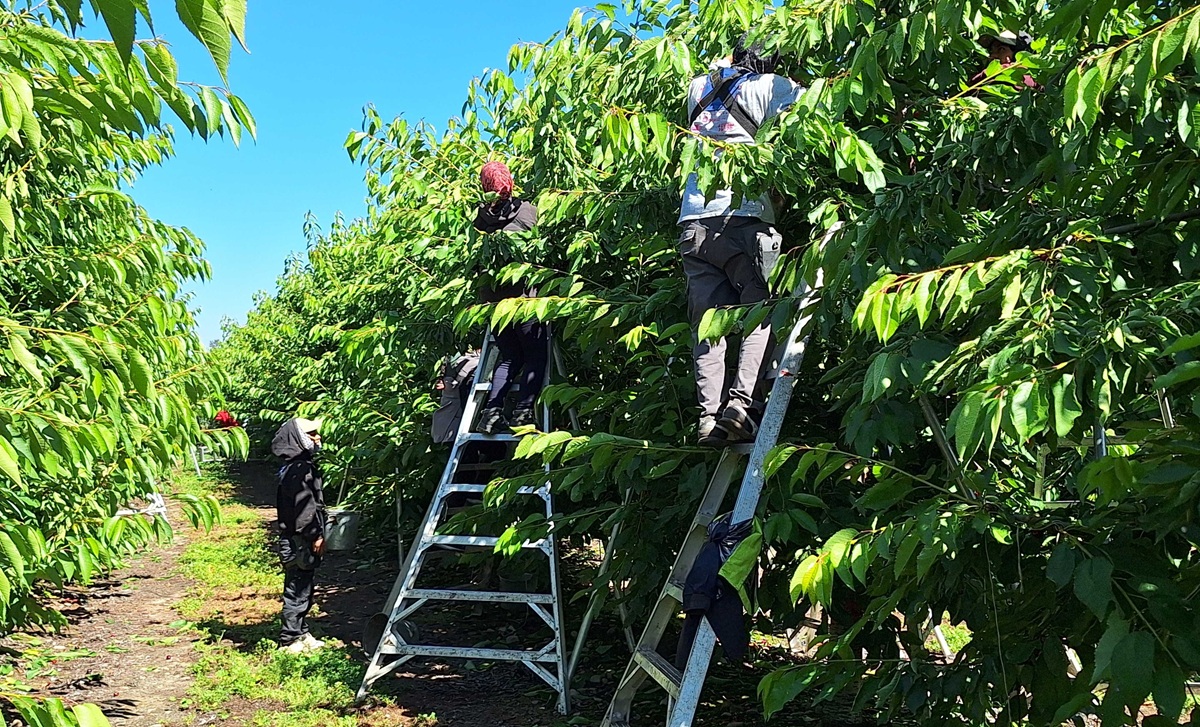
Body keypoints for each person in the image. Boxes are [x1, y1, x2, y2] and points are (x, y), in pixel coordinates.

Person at [679, 39, 803, 446]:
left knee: (707, 324)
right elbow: (820, 106)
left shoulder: (699, 87)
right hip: (744, 218)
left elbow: (713, 75)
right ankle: (741, 406)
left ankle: (707, 417)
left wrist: (725, 65)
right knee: (759, 312)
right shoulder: (772, 86)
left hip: (694, 222)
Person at [472, 161, 549, 434]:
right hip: (523, 300)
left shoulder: (479, 220)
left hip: (493, 304)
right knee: (536, 355)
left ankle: (491, 413)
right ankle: (522, 413)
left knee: (510, 356)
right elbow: (543, 250)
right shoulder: (528, 212)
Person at [271, 417, 327, 653]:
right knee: (297, 588)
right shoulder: (300, 469)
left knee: (302, 585)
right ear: (298, 438)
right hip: (299, 541)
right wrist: (315, 535)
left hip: (294, 539)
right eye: (312, 434)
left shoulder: (292, 467)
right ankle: (290, 639)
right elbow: (304, 509)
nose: (317, 437)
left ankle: (300, 632)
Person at [970, 30, 1039, 89]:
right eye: (991, 51)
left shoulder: (1031, 80)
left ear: (1018, 53)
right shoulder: (987, 81)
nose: (992, 56)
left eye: (1001, 49)